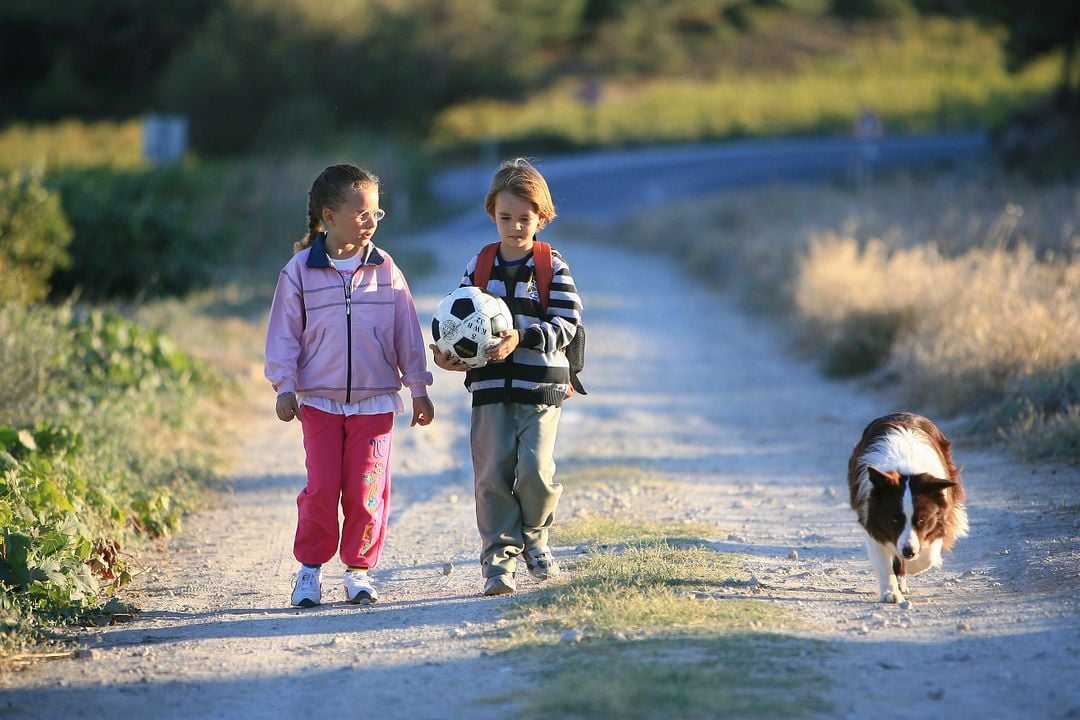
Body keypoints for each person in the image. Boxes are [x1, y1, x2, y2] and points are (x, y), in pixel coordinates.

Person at [265, 164, 435, 607]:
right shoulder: (299, 272)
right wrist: (284, 386)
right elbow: (283, 335)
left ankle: (359, 572)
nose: (370, 222)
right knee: (322, 489)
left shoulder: (386, 269)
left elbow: (406, 333)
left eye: (376, 214)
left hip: (376, 403)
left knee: (366, 490)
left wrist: (418, 387)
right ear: (329, 217)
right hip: (319, 402)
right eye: (361, 214)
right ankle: (309, 571)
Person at [430, 157, 583, 596]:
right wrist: (449, 357)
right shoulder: (479, 265)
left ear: (542, 217)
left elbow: (568, 324)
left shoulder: (550, 265)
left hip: (542, 388)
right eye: (505, 217)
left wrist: (523, 337)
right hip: (490, 390)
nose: (515, 227)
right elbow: (457, 324)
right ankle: (498, 562)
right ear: (492, 214)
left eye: (524, 218)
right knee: (492, 476)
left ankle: (535, 541)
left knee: (534, 470)